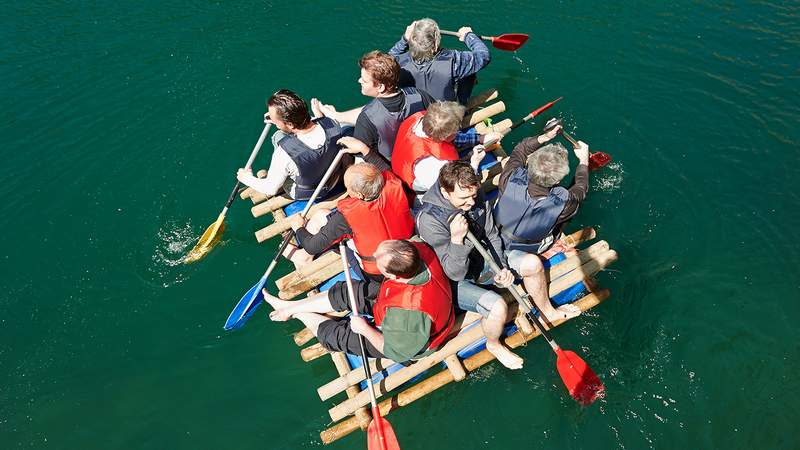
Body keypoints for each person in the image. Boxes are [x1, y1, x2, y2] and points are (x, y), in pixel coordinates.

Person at [416, 161, 579, 369]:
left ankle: (548, 310)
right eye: (464, 198)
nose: (471, 202)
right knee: (498, 307)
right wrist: (457, 240)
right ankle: (493, 344)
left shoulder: (474, 197)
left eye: (474, 196)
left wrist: (501, 266)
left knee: (533, 263)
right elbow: (454, 273)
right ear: (445, 192)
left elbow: (492, 234)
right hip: (456, 280)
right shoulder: (429, 220)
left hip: (484, 260)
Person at [264, 240, 455, 363]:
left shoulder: (408, 314)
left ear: (392, 275)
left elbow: (395, 350)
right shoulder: (418, 251)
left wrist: (364, 329)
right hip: (397, 299)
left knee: (336, 336)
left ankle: (298, 314)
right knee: (350, 290)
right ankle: (289, 307)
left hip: (408, 340)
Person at [286, 142, 415, 279]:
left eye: (348, 188)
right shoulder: (394, 183)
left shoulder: (346, 217)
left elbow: (312, 246)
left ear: (360, 195)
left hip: (378, 271)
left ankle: (303, 257)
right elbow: (383, 167)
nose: (347, 191)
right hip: (405, 254)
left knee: (321, 215)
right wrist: (363, 149)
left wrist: (299, 227)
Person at [310, 51, 435, 163]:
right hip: (421, 155)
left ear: (380, 87)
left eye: (364, 80)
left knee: (346, 130)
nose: (359, 81)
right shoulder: (419, 95)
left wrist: (322, 120)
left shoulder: (367, 117)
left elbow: (361, 157)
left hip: (393, 168)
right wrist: (337, 116)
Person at [494, 123, 590, 257]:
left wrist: (545, 137)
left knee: (566, 202)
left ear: (531, 164)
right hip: (528, 249)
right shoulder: (565, 204)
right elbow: (581, 189)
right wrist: (584, 161)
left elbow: (520, 150)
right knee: (571, 206)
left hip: (495, 232)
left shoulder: (510, 176)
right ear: (557, 181)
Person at [236, 89, 348, 200]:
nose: (274, 123)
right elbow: (314, 124)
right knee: (282, 136)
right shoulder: (332, 123)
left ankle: (282, 173)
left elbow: (270, 189)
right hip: (334, 177)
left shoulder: (283, 154)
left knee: (278, 137)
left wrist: (246, 178)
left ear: (290, 124)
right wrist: (276, 119)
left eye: (275, 121)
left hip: (312, 191)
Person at [391, 101, 501, 193]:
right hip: (428, 184)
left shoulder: (424, 118)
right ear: (445, 137)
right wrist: (474, 164)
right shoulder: (432, 164)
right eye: (457, 130)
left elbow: (450, 136)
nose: (459, 130)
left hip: (403, 159)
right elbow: (456, 188)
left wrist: (480, 138)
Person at [388, 19, 491, 104]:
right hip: (445, 116)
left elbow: (388, 58)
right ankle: (463, 104)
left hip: (414, 113)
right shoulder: (453, 61)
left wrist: (404, 39)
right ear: (436, 45)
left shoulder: (397, 62)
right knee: (469, 72)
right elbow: (484, 56)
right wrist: (469, 36)